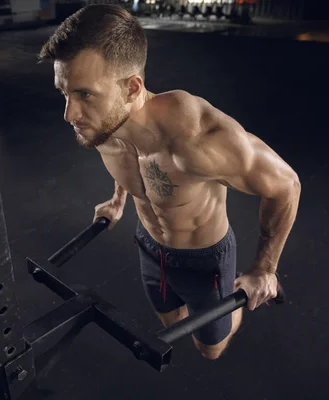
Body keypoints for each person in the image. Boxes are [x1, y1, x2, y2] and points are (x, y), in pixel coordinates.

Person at [37, 4, 301, 360]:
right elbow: (125, 160)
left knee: (210, 349)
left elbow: (287, 185)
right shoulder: (101, 124)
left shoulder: (196, 138)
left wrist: (264, 270)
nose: (69, 114)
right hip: (150, 247)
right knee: (170, 320)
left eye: (84, 94)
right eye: (64, 93)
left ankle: (238, 297)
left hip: (205, 258)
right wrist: (118, 199)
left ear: (132, 88)